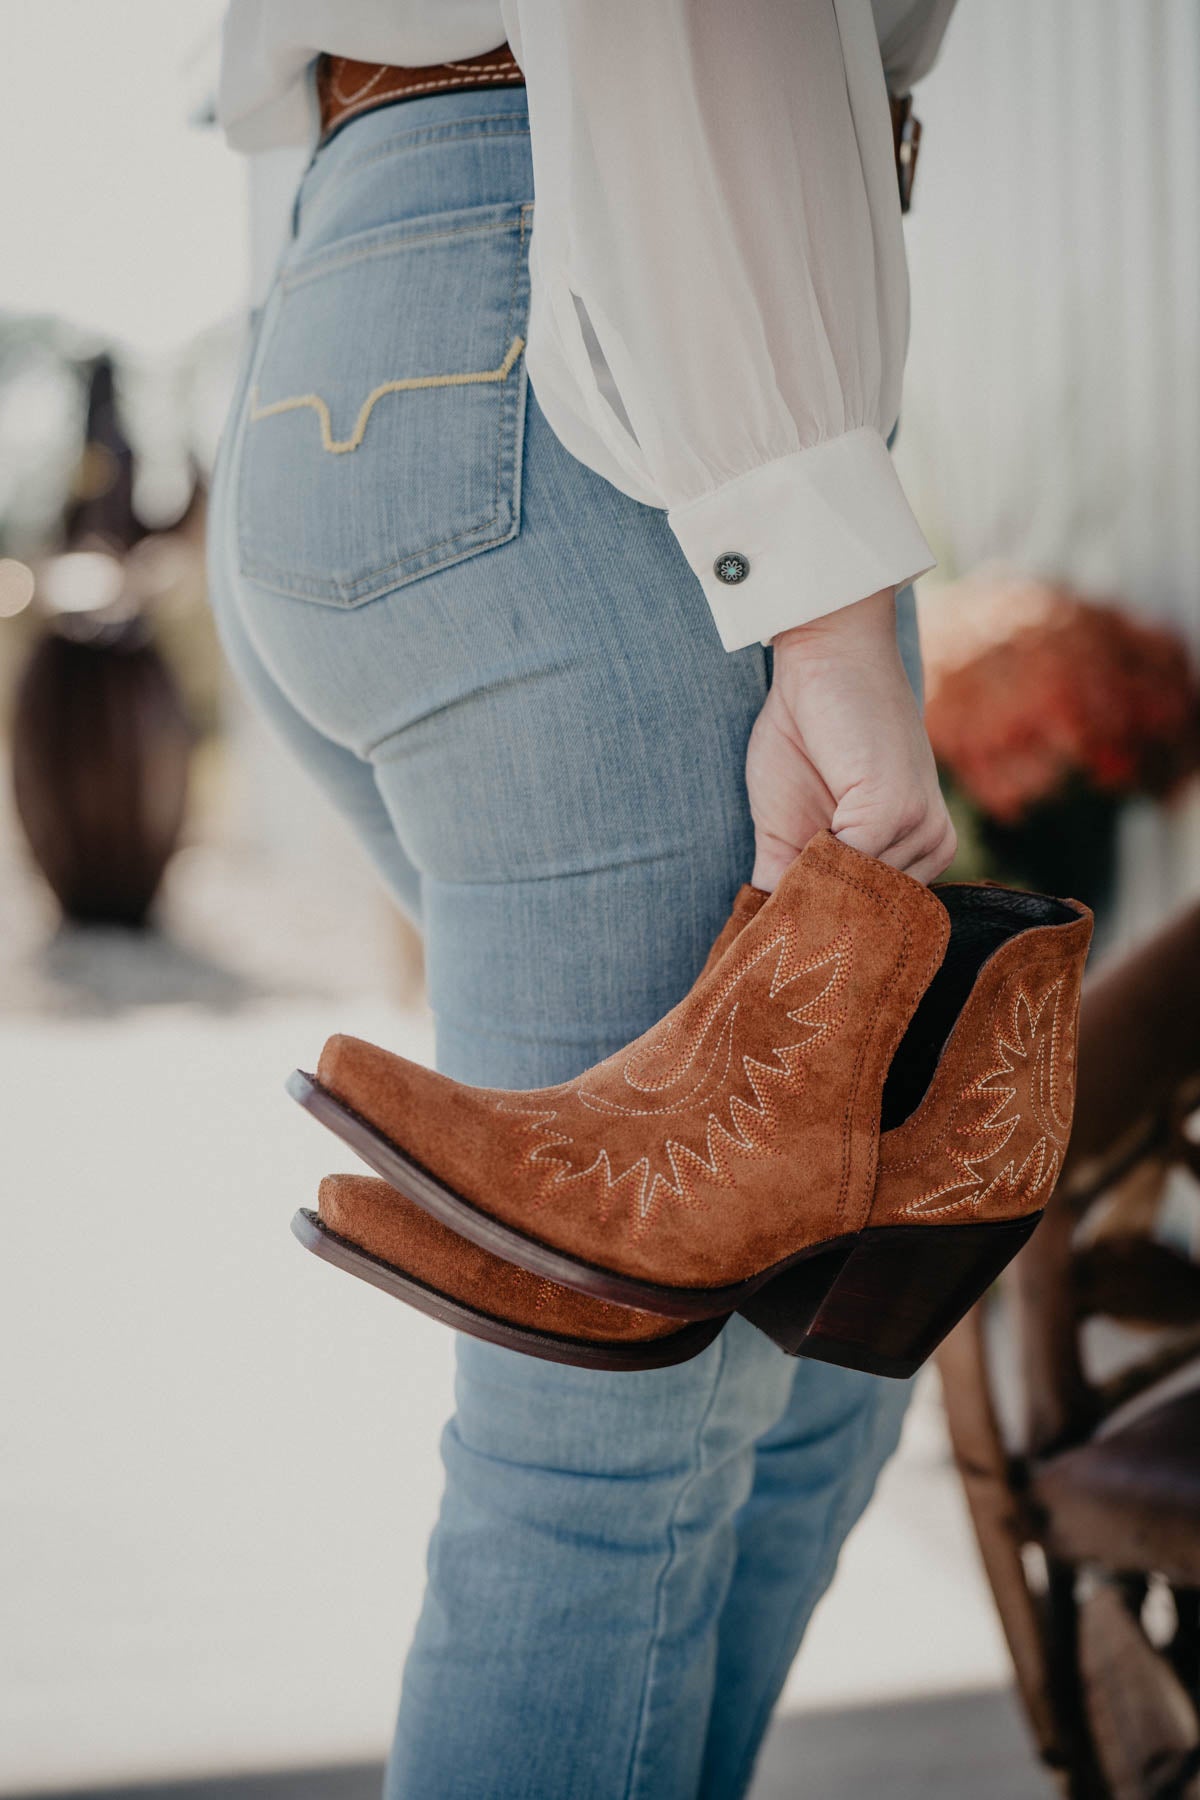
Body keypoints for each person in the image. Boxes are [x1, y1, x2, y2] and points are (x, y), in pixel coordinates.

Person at [210, 4, 959, 1794]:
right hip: (581, 354)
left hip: (377, 301)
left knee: (842, 1319)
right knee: (606, 1441)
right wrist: (831, 607)